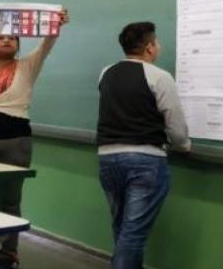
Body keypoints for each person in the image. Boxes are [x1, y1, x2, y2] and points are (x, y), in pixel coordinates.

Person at [0, 2, 68, 264]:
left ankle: (6, 251)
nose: (6, 40)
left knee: (8, 200)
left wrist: (55, 23)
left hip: (12, 145)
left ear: (18, 44)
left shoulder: (28, 65)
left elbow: (48, 42)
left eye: (12, 38)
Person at [96, 22, 191, 269]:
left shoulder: (106, 72)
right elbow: (176, 126)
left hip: (107, 158)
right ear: (149, 47)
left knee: (123, 229)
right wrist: (183, 145)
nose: (158, 46)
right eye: (157, 42)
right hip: (145, 160)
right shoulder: (159, 76)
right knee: (134, 233)